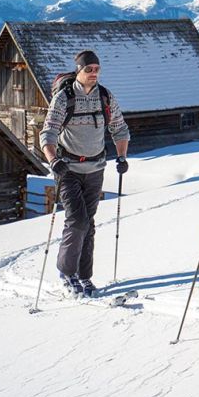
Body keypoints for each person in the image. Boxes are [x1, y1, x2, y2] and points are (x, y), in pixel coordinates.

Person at [40, 50, 130, 298]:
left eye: (96, 69)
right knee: (77, 220)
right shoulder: (64, 98)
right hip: (67, 168)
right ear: (78, 71)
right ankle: (66, 273)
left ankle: (84, 276)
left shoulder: (105, 97)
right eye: (88, 69)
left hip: (95, 168)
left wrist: (121, 157)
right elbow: (47, 133)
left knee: (88, 224)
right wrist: (53, 160)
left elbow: (120, 129)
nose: (93, 73)